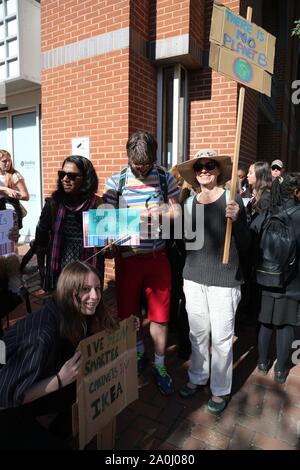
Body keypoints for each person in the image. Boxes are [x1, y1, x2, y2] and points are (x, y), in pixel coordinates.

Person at [0, 261, 119, 449]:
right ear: (69, 291)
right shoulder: (42, 336)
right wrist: (60, 379)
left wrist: (129, 327)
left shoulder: (70, 309)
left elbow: (103, 323)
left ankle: (58, 432)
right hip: (6, 401)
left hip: (27, 377)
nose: (95, 296)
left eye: (97, 288)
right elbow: (8, 395)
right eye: (86, 289)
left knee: (82, 390)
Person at [104, 131, 180, 395]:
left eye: (146, 165)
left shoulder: (163, 176)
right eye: (137, 166)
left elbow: (178, 213)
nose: (141, 169)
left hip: (157, 256)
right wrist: (109, 237)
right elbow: (106, 217)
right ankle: (138, 353)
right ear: (128, 158)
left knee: (160, 314)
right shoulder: (117, 180)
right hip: (128, 258)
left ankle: (159, 363)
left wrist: (164, 212)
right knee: (128, 314)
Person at [176, 149, 250, 414]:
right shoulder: (190, 202)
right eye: (199, 167)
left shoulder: (233, 200)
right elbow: (187, 242)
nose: (204, 170)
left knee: (220, 338)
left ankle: (220, 390)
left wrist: (238, 220)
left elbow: (247, 244)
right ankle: (197, 377)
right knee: (197, 334)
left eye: (209, 165)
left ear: (218, 170)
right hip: (194, 277)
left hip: (224, 280)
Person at [252, 174, 300, 384]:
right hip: (292, 281)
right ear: (296, 192)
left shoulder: (270, 211)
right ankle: (280, 369)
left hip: (268, 277)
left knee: (265, 321)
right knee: (286, 325)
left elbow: (254, 233)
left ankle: (262, 363)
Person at [34, 155, 104, 292]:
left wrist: (110, 248)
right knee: (61, 310)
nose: (65, 179)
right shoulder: (54, 204)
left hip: (89, 267)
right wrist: (41, 267)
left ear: (85, 179)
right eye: (62, 174)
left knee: (86, 309)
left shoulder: (97, 205)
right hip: (60, 270)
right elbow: (41, 237)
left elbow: (105, 246)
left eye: (71, 176)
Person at [0, 149, 29, 231]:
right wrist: (5, 189)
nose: (8, 163)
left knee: (9, 240)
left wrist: (10, 194)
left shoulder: (15, 176)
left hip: (10, 213)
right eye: (4, 161)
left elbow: (26, 196)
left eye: (9, 160)